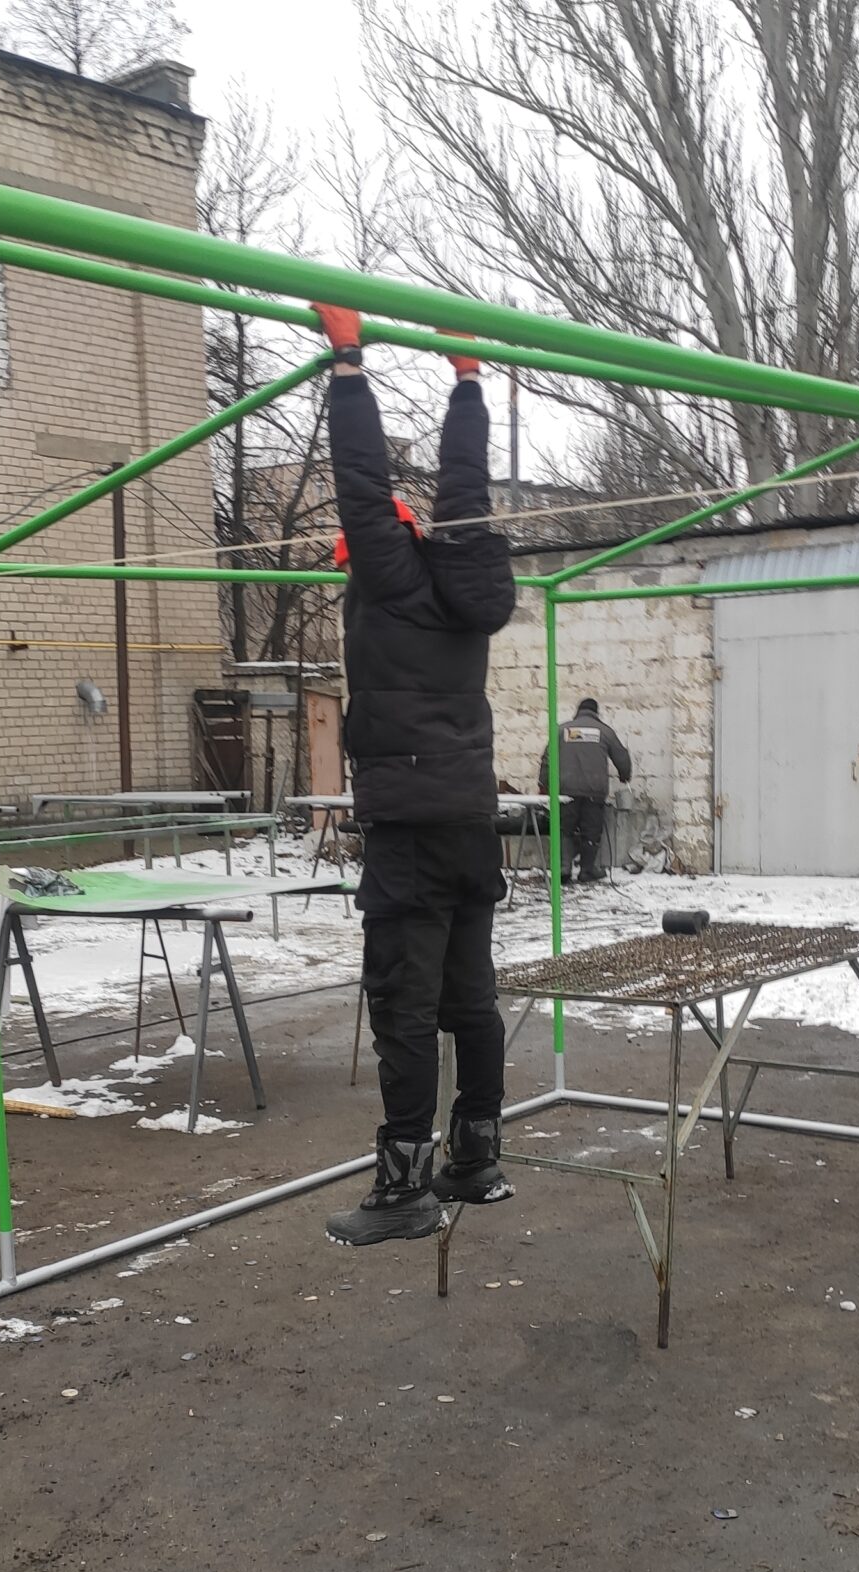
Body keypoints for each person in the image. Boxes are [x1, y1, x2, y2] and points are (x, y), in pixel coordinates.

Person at [314, 303, 522, 1246]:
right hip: (469, 823)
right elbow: (466, 484)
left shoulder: (391, 578)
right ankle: (476, 1159)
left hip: (408, 827)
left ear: (383, 542)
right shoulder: (470, 582)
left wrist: (347, 361)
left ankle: (403, 1190)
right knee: (469, 999)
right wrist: (466, 377)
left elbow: (360, 476)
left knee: (403, 1004)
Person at [541, 696, 632, 883]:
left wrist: (544, 784)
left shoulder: (561, 730)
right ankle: (587, 870)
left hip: (565, 791)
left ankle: (564, 869)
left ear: (578, 711)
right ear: (596, 712)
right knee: (591, 831)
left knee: (564, 829)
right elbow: (621, 756)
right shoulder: (604, 731)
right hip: (594, 790)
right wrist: (624, 775)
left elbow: (547, 759)